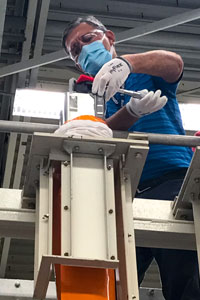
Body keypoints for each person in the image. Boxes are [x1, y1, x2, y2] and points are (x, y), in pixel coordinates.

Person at [62, 16, 200, 300]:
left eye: (87, 39)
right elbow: (97, 134)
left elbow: (174, 64)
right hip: (121, 195)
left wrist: (125, 64)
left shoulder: (142, 74)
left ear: (108, 37)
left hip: (169, 182)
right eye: (76, 51)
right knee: (113, 286)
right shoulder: (91, 99)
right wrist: (132, 112)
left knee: (185, 278)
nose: (83, 50)